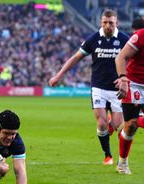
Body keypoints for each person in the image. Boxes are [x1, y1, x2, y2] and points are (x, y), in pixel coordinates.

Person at [49, 9, 129, 165]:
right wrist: (59, 75)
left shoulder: (124, 40)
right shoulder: (93, 39)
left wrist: (125, 79)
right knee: (101, 123)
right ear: (101, 23)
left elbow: (133, 62)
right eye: (105, 23)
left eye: (111, 23)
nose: (107, 26)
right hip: (98, 87)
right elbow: (75, 58)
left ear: (116, 23)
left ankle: (111, 125)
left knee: (118, 125)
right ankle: (108, 155)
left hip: (116, 90)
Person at [114, 23, 144, 175]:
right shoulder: (140, 35)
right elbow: (121, 57)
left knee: (131, 124)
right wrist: (123, 79)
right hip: (134, 84)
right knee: (131, 125)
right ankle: (122, 163)